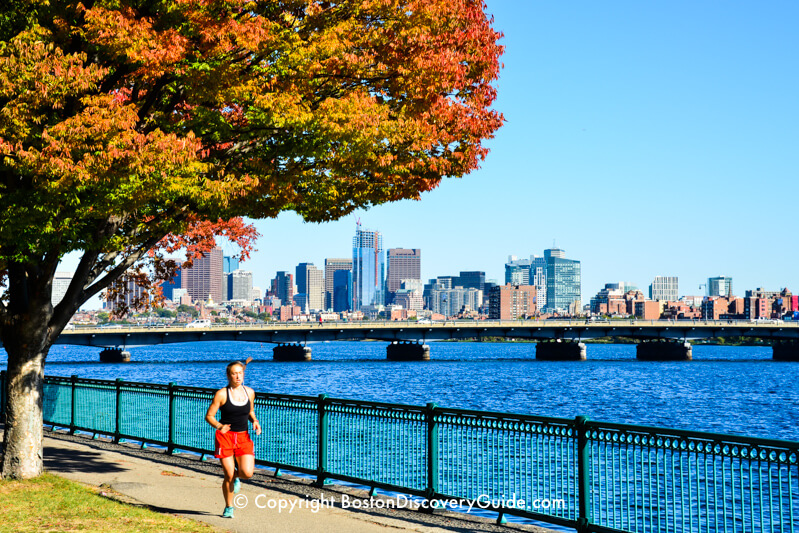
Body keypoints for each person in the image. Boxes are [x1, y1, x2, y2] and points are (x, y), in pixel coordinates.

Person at [205, 361, 262, 518]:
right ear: (228, 375)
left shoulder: (249, 392)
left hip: (243, 437)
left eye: (240, 373)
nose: (238, 376)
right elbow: (209, 416)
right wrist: (219, 425)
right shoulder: (222, 394)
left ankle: (238, 477)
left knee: (247, 473)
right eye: (234, 373)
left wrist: (255, 421)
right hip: (225, 438)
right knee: (228, 475)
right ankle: (229, 507)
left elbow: (250, 411)